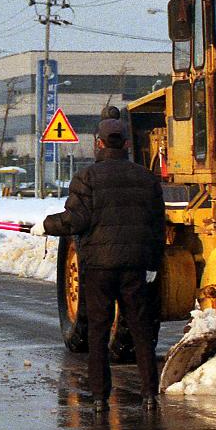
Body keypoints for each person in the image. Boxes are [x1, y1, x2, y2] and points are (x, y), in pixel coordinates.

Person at [32, 118, 165, 412]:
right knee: (141, 329)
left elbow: (75, 221)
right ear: (127, 144)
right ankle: (149, 394)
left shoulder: (86, 177)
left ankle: (100, 397)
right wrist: (153, 263)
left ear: (99, 143)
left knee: (98, 330)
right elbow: (158, 227)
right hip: (134, 267)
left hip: (98, 268)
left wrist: (46, 225)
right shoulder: (147, 178)